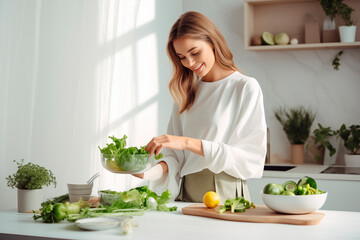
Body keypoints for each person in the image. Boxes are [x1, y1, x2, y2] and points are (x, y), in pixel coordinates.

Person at [132, 11, 267, 203]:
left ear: (212, 42)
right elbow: (175, 158)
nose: (190, 63)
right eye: (182, 57)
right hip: (186, 194)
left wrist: (187, 142)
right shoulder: (186, 93)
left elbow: (251, 160)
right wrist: (144, 173)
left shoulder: (244, 87)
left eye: (195, 53)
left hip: (225, 194)